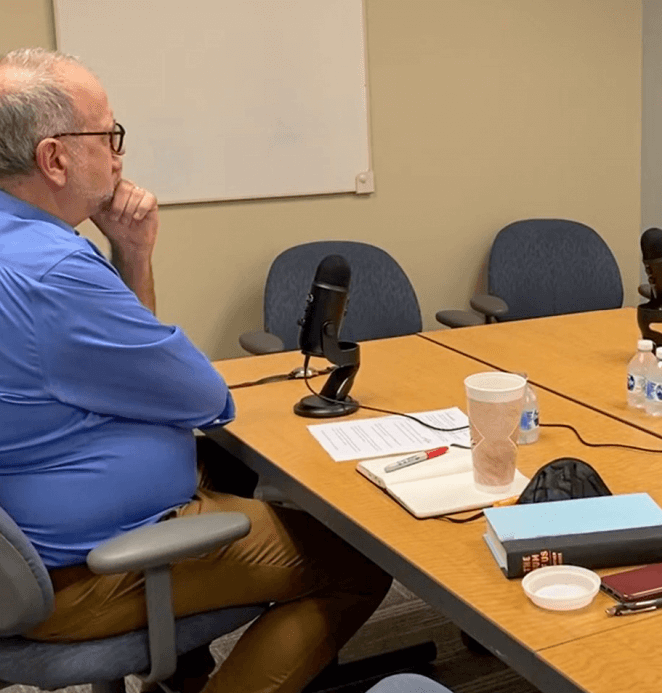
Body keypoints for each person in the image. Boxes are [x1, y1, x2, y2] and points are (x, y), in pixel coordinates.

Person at [0, 48, 392, 693]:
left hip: (32, 534)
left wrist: (130, 252)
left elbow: (124, 376)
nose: (120, 155)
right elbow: (204, 397)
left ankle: (182, 677)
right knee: (362, 558)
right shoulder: (54, 272)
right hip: (82, 569)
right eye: (107, 134)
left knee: (240, 470)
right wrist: (132, 251)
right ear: (55, 159)